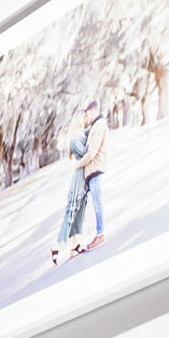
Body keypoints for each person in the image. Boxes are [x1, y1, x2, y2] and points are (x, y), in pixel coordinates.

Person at [49, 100, 109, 265]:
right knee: (72, 209)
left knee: (80, 210)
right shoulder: (76, 138)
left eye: (86, 115)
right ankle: (57, 245)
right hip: (80, 175)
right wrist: (81, 161)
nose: (86, 119)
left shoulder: (87, 131)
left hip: (84, 173)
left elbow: (96, 127)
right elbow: (88, 153)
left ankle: (75, 245)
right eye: (83, 117)